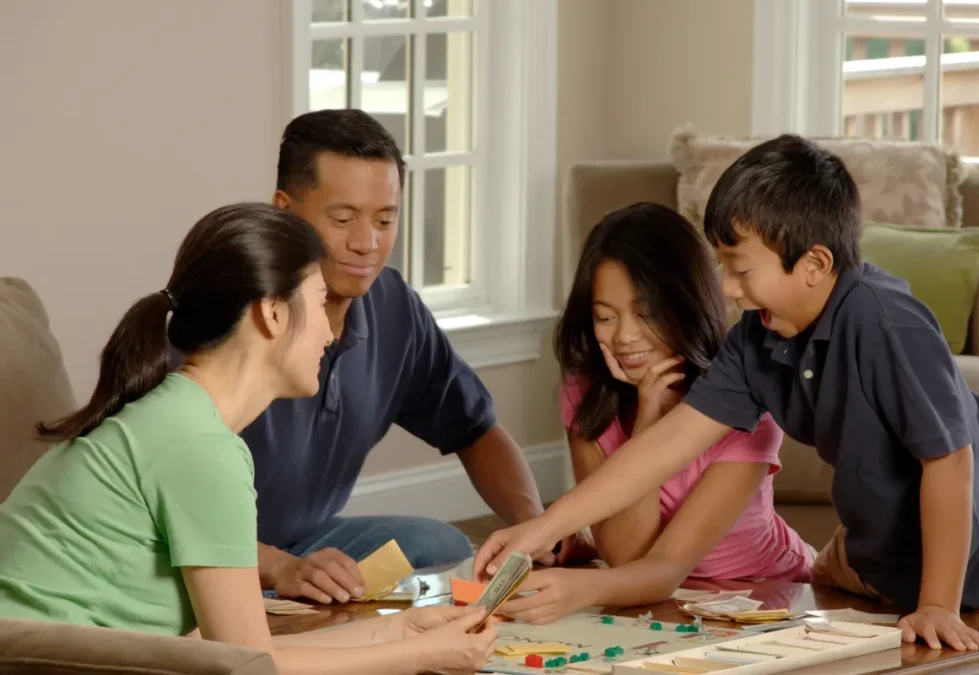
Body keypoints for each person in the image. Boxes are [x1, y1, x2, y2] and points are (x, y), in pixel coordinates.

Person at [474, 135, 979, 653]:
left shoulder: (887, 322)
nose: (729, 290)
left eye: (740, 268)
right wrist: (541, 528)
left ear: (814, 263)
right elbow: (661, 450)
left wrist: (939, 603)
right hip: (879, 544)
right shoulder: (755, 342)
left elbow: (949, 459)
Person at [0, 203, 496, 674]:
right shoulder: (199, 445)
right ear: (273, 314)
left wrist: (402, 632)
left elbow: (235, 647)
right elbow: (247, 664)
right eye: (320, 304)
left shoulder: (178, 417)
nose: (329, 332)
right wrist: (421, 657)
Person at [245, 109, 591, 606]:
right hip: (205, 555)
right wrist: (278, 567)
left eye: (385, 220)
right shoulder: (232, 316)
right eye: (342, 220)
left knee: (440, 544)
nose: (367, 243)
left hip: (306, 541)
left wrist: (531, 525)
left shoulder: (392, 305)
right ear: (284, 210)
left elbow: (475, 429)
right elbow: (164, 513)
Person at [496, 203, 814, 626]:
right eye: (605, 317)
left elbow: (662, 565)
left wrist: (580, 584)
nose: (625, 337)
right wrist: (647, 418)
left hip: (763, 592)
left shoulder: (746, 404)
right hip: (658, 599)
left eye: (646, 314)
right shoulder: (586, 395)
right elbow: (625, 554)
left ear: (686, 303)